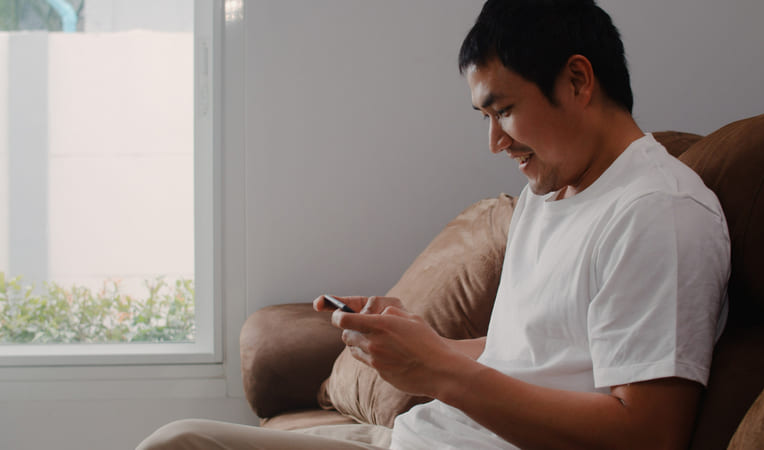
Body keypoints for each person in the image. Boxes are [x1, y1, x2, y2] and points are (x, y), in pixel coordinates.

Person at [137, 0, 730, 448]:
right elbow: (534, 355)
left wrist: (439, 370)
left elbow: (648, 436)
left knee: (180, 445)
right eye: (485, 115)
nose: (495, 141)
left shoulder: (658, 214)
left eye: (504, 111)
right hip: (419, 438)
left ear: (578, 81)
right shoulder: (550, 194)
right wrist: (424, 345)